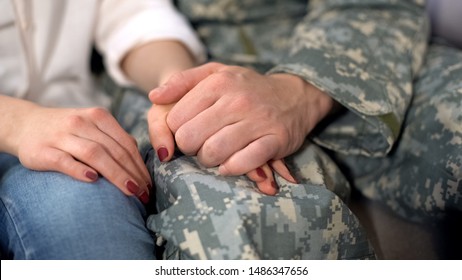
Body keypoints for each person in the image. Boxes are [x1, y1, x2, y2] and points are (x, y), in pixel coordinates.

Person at [146, 0, 461, 259]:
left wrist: (299, 91)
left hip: (364, 49)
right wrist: (184, 90)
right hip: (182, 75)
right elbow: (128, 19)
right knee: (243, 233)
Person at [0, 0, 207, 259]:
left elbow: (133, 16)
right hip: (39, 129)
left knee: (86, 203)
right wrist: (18, 122)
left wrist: (176, 85)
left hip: (74, 123)